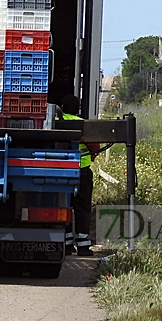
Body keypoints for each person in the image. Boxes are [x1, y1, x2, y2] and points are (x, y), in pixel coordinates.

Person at [59, 94, 106, 257]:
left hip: (61, 172)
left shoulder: (57, 122)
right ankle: (83, 246)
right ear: (78, 109)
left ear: (62, 108)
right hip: (82, 171)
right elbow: (95, 146)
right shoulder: (82, 125)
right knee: (82, 208)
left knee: (63, 207)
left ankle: (66, 244)